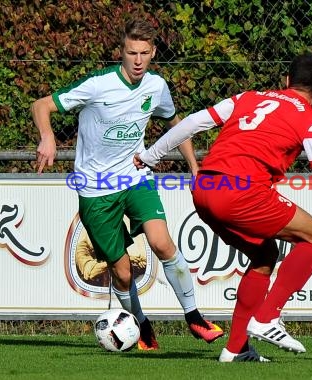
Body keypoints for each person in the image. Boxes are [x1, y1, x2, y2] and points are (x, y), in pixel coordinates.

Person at [134, 52, 312, 361]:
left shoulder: (248, 97)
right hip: (240, 192)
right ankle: (268, 316)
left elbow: (193, 122)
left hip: (206, 188)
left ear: (287, 80)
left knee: (264, 254)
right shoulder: (311, 121)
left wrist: (152, 155)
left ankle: (235, 350)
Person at [31, 19, 224, 351]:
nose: (137, 60)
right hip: (95, 190)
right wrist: (47, 136)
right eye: (131, 52)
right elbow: (41, 105)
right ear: (121, 52)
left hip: (135, 177)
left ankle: (194, 317)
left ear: (152, 54)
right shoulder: (98, 84)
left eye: (144, 53)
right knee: (121, 273)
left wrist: (194, 165)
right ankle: (142, 326)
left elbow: (175, 125)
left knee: (163, 244)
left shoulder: (156, 86)